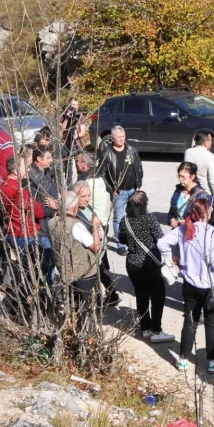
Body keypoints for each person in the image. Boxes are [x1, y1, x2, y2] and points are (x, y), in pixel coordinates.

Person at [157, 198, 214, 373]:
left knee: (190, 321)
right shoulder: (212, 234)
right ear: (206, 213)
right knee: (212, 324)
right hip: (210, 286)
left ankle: (183, 360)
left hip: (189, 284)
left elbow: (162, 243)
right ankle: (213, 362)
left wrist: (170, 259)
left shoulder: (184, 229)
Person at [118, 191, 172, 343]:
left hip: (132, 263)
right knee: (158, 296)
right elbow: (161, 239)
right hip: (150, 262)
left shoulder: (125, 221)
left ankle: (145, 328)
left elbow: (121, 238)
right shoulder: (149, 219)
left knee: (141, 295)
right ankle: (156, 330)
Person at [50, 190, 102, 304]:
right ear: (74, 208)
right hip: (82, 272)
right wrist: (95, 226)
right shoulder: (76, 226)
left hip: (64, 268)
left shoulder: (51, 222)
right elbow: (96, 247)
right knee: (83, 303)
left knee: (71, 300)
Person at [73, 180, 119, 305]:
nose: (88, 199)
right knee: (98, 273)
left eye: (89, 195)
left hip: (97, 249)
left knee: (99, 272)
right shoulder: (75, 211)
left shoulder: (86, 207)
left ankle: (108, 295)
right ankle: (106, 296)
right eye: (84, 196)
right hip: (90, 251)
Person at [98, 126, 143, 254]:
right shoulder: (107, 153)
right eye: (119, 137)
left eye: (123, 136)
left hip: (133, 189)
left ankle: (134, 241)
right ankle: (121, 243)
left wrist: (139, 183)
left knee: (135, 216)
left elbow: (139, 166)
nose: (122, 139)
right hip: (119, 192)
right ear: (112, 138)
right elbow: (102, 174)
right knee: (118, 217)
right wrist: (111, 189)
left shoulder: (131, 150)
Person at [0, 155, 44, 250]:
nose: (28, 170)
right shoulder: (19, 191)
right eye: (25, 167)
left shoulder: (2, 186)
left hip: (12, 232)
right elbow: (39, 213)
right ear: (16, 171)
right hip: (25, 234)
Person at [167, 162, 212, 229]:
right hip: (177, 232)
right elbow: (171, 213)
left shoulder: (202, 196)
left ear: (192, 177)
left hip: (193, 234)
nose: (180, 179)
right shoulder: (178, 191)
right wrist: (171, 220)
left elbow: (204, 220)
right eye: (179, 176)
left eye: (183, 177)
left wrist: (187, 222)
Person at [184, 130, 214, 199]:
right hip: (204, 193)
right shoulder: (210, 156)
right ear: (205, 143)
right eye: (210, 140)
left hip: (190, 190)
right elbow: (213, 181)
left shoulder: (188, 152)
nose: (211, 142)